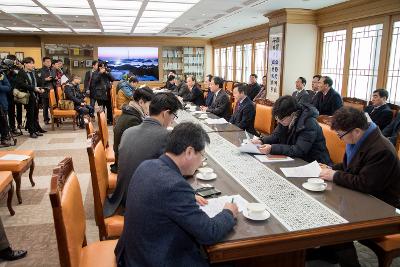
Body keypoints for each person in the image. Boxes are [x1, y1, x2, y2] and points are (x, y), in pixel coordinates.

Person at [115, 122, 238, 267]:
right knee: (231, 261)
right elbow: (208, 232)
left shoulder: (147, 165)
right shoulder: (174, 186)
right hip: (154, 260)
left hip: (133, 253)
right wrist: (228, 212)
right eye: (202, 155)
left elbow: (161, 194)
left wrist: (188, 196)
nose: (201, 162)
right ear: (189, 152)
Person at [103, 92, 182, 217]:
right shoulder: (166, 136)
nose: (172, 121)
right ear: (165, 113)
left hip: (121, 196)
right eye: (173, 116)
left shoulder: (129, 132)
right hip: (140, 204)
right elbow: (176, 171)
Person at [320, 107, 400, 208]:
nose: (340, 139)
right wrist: (331, 168)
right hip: (360, 195)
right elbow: (350, 166)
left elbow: (365, 183)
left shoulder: (381, 150)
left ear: (356, 131)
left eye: (340, 135)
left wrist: (335, 175)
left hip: (380, 204)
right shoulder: (360, 139)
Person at [252, 95, 331, 165]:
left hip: (314, 163)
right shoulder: (285, 118)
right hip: (296, 159)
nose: (279, 122)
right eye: (277, 120)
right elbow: (276, 135)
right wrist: (261, 141)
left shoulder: (308, 123)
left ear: (293, 114)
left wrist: (272, 148)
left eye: (282, 120)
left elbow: (299, 150)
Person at [110, 87, 154, 174]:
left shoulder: (131, 112)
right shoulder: (132, 120)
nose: (151, 108)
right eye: (150, 104)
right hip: (125, 166)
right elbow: (139, 149)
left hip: (124, 159)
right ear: (141, 102)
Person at [15, 57, 46, 138]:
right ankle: (31, 131)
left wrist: (40, 88)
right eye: (30, 63)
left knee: (35, 113)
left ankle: (35, 129)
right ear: (25, 64)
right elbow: (20, 84)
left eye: (32, 63)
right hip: (28, 95)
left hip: (35, 95)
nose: (32, 65)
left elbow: (37, 82)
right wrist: (33, 88)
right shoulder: (21, 73)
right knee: (30, 114)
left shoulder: (33, 72)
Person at [5, 55, 23, 134]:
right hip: (9, 93)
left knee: (19, 108)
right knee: (11, 111)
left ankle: (19, 123)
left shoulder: (17, 68)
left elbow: (20, 78)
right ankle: (12, 127)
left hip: (17, 91)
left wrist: (20, 68)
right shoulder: (5, 69)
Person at [39, 56, 55, 125]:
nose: (49, 63)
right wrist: (45, 79)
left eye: (50, 62)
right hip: (45, 89)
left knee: (53, 105)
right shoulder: (40, 70)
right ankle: (46, 119)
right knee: (45, 106)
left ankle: (55, 118)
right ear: (43, 62)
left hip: (52, 89)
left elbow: (54, 78)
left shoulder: (52, 69)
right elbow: (38, 81)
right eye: (47, 62)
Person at [0, 72, 11, 146]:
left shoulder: (1, 75)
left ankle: (3, 139)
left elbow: (8, 87)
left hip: (2, 103)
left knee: (3, 122)